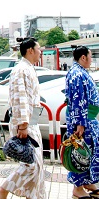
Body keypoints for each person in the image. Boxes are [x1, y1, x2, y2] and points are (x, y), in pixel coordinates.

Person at [0, 37, 46, 199]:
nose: (40, 51)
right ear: (30, 50)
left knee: (36, 164)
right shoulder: (21, 69)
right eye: (39, 48)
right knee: (32, 165)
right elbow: (20, 98)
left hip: (29, 121)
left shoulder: (27, 68)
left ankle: (33, 196)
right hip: (25, 122)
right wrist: (23, 125)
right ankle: (2, 190)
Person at [65, 45, 99, 199]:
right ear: (83, 57)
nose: (91, 60)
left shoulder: (80, 72)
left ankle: (88, 182)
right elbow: (79, 100)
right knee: (80, 153)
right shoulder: (77, 74)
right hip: (83, 121)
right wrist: (80, 123)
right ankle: (77, 188)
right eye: (90, 56)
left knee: (89, 152)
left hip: (88, 119)